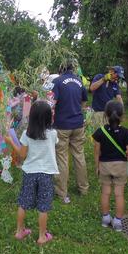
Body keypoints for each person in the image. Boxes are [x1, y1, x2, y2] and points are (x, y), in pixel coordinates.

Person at [4, 100, 59, 245]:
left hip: (29, 173)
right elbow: (55, 144)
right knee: (43, 206)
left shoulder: (27, 134)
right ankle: (42, 236)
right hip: (46, 174)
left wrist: (11, 142)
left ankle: (19, 231)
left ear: (32, 117)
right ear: (49, 117)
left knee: (23, 203)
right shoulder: (53, 133)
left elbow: (22, 155)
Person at [92, 100, 128, 231]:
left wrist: (97, 166)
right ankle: (117, 221)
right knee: (119, 194)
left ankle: (105, 218)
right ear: (122, 116)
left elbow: (97, 152)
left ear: (105, 115)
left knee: (105, 193)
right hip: (120, 166)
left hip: (104, 165)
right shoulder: (126, 132)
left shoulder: (100, 132)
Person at [52, 59, 89, 204]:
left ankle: (62, 191)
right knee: (79, 155)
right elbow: (84, 102)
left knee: (62, 158)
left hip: (62, 125)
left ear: (61, 68)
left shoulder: (57, 81)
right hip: (78, 124)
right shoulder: (79, 81)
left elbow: (52, 102)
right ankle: (83, 188)